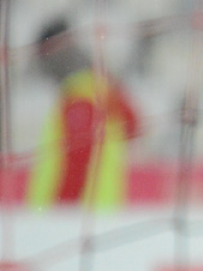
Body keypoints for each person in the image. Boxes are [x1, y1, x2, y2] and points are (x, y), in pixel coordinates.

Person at [27, 18, 141, 210]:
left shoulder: (84, 96)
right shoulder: (96, 89)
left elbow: (78, 160)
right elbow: (134, 126)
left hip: (76, 212)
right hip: (92, 210)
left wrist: (62, 208)